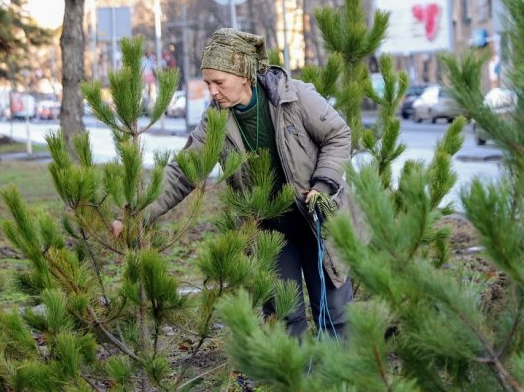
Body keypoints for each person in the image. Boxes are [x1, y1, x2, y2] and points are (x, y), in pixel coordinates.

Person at [113, 28, 355, 337]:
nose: (212, 92)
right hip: (270, 231)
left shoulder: (294, 97)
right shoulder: (216, 121)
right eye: (208, 83)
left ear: (243, 74)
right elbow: (182, 172)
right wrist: (135, 214)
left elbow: (338, 134)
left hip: (318, 219)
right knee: (284, 319)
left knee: (334, 315)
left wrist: (323, 185)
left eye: (218, 82)